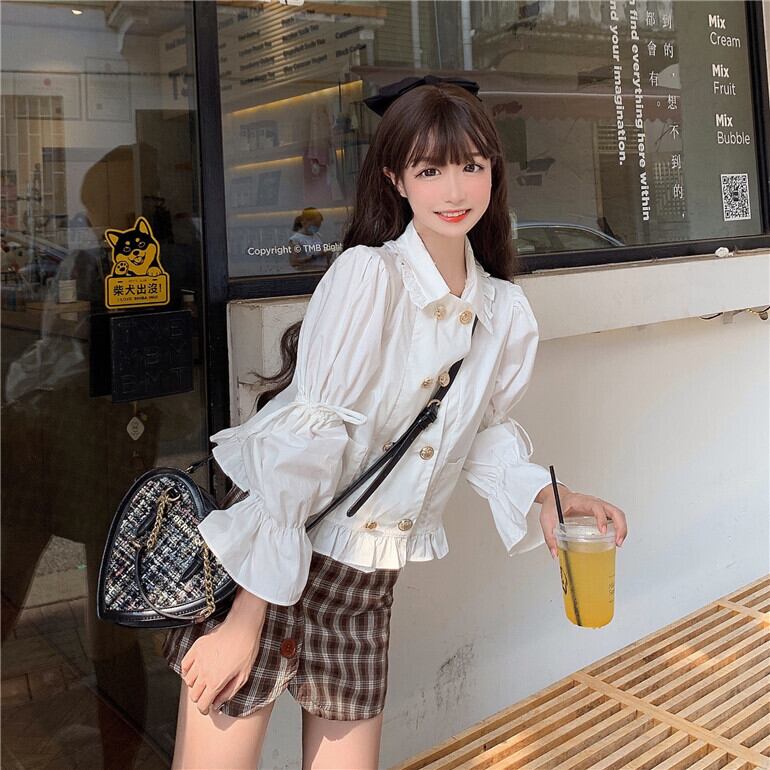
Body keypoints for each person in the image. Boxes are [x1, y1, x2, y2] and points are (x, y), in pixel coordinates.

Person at [161, 76, 628, 770]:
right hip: (273, 561)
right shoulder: (368, 277)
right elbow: (306, 447)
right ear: (395, 179)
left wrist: (548, 496)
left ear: (494, 171)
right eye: (429, 170)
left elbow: (477, 431)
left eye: (471, 165)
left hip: (364, 587)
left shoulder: (501, 310)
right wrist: (242, 621)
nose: (455, 189)